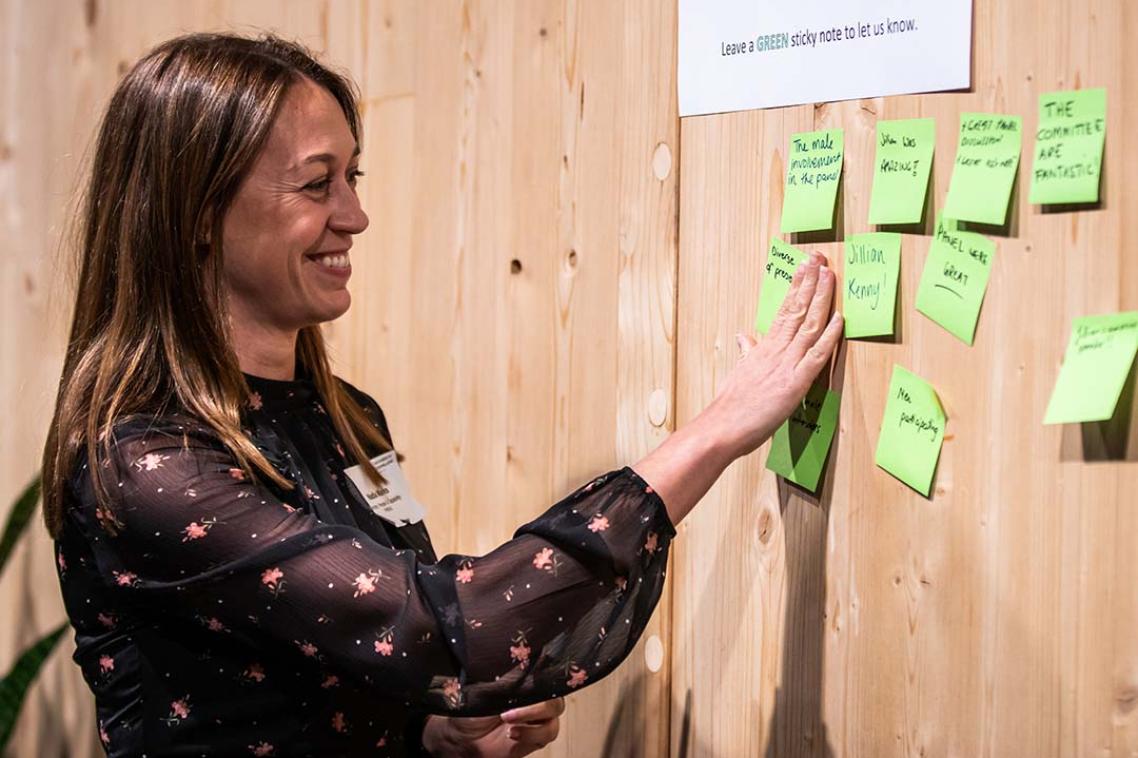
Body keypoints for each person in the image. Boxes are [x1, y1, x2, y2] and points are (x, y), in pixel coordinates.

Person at [41, 32, 842, 757]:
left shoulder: (348, 420)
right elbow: (453, 627)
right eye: (316, 185)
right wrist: (715, 431)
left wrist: (432, 731)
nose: (355, 215)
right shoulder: (147, 469)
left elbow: (361, 654)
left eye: (352, 176)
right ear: (196, 215)